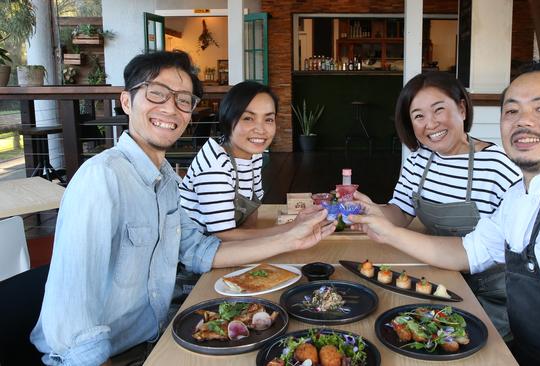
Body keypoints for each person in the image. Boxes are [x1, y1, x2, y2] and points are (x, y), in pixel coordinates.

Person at [30, 50, 334, 366]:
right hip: (109, 357)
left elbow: (201, 250)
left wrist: (293, 239)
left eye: (183, 100)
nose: (170, 108)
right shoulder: (102, 178)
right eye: (157, 94)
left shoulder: (167, 180)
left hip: (158, 337)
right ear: (126, 102)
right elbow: (70, 322)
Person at [350, 62, 540, 366]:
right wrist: (384, 229)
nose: (524, 122)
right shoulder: (520, 197)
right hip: (526, 350)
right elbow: (469, 251)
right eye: (512, 111)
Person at [353, 71, 521, 339]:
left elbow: (513, 248)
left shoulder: (498, 166)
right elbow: (400, 212)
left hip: (492, 292)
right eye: (418, 116)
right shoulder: (419, 160)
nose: (430, 124)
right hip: (437, 274)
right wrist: (370, 210)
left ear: (462, 109)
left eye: (438, 110)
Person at [179, 81, 298, 240]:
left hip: (227, 245)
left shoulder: (253, 155)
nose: (260, 129)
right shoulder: (216, 164)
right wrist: (292, 229)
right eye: (248, 118)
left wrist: (251, 234)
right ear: (228, 119)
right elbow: (223, 234)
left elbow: (252, 204)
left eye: (268, 119)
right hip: (193, 251)